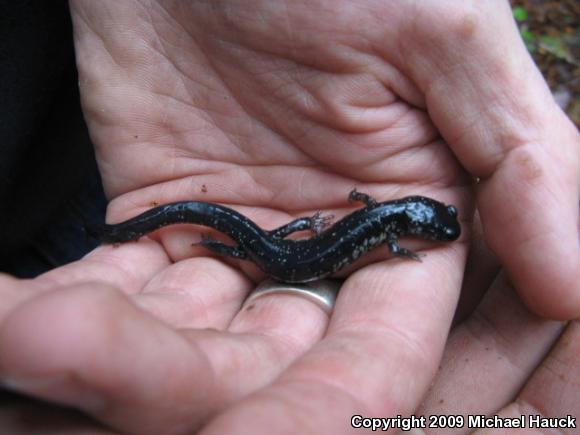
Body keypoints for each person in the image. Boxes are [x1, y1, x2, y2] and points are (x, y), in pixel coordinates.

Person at [0, 1, 578, 433]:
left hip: (68, 146)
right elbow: (382, 237)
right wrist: (391, 253)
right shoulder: (390, 229)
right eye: (430, 229)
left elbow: (370, 215)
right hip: (281, 261)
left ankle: (115, 233)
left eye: (434, 227)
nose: (434, 234)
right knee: (209, 241)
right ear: (412, 226)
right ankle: (126, 234)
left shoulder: (383, 215)